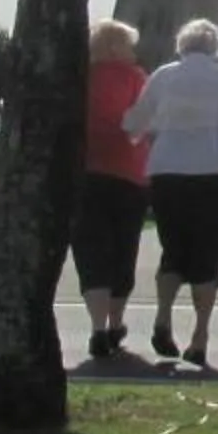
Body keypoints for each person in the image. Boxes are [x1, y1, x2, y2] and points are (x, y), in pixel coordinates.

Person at [121, 17, 218, 368]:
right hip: (211, 168)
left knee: (173, 248)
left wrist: (140, 131)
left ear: (181, 45)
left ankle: (163, 316)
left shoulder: (164, 77)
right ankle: (200, 335)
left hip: (167, 168)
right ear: (214, 47)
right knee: (206, 253)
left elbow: (135, 125)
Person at [70, 18, 152, 361]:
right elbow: (144, 121)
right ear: (117, 47)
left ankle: (97, 328)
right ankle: (116, 322)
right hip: (128, 174)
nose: (134, 52)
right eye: (129, 46)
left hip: (86, 171)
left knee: (91, 252)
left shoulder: (78, 78)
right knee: (123, 249)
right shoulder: (137, 79)